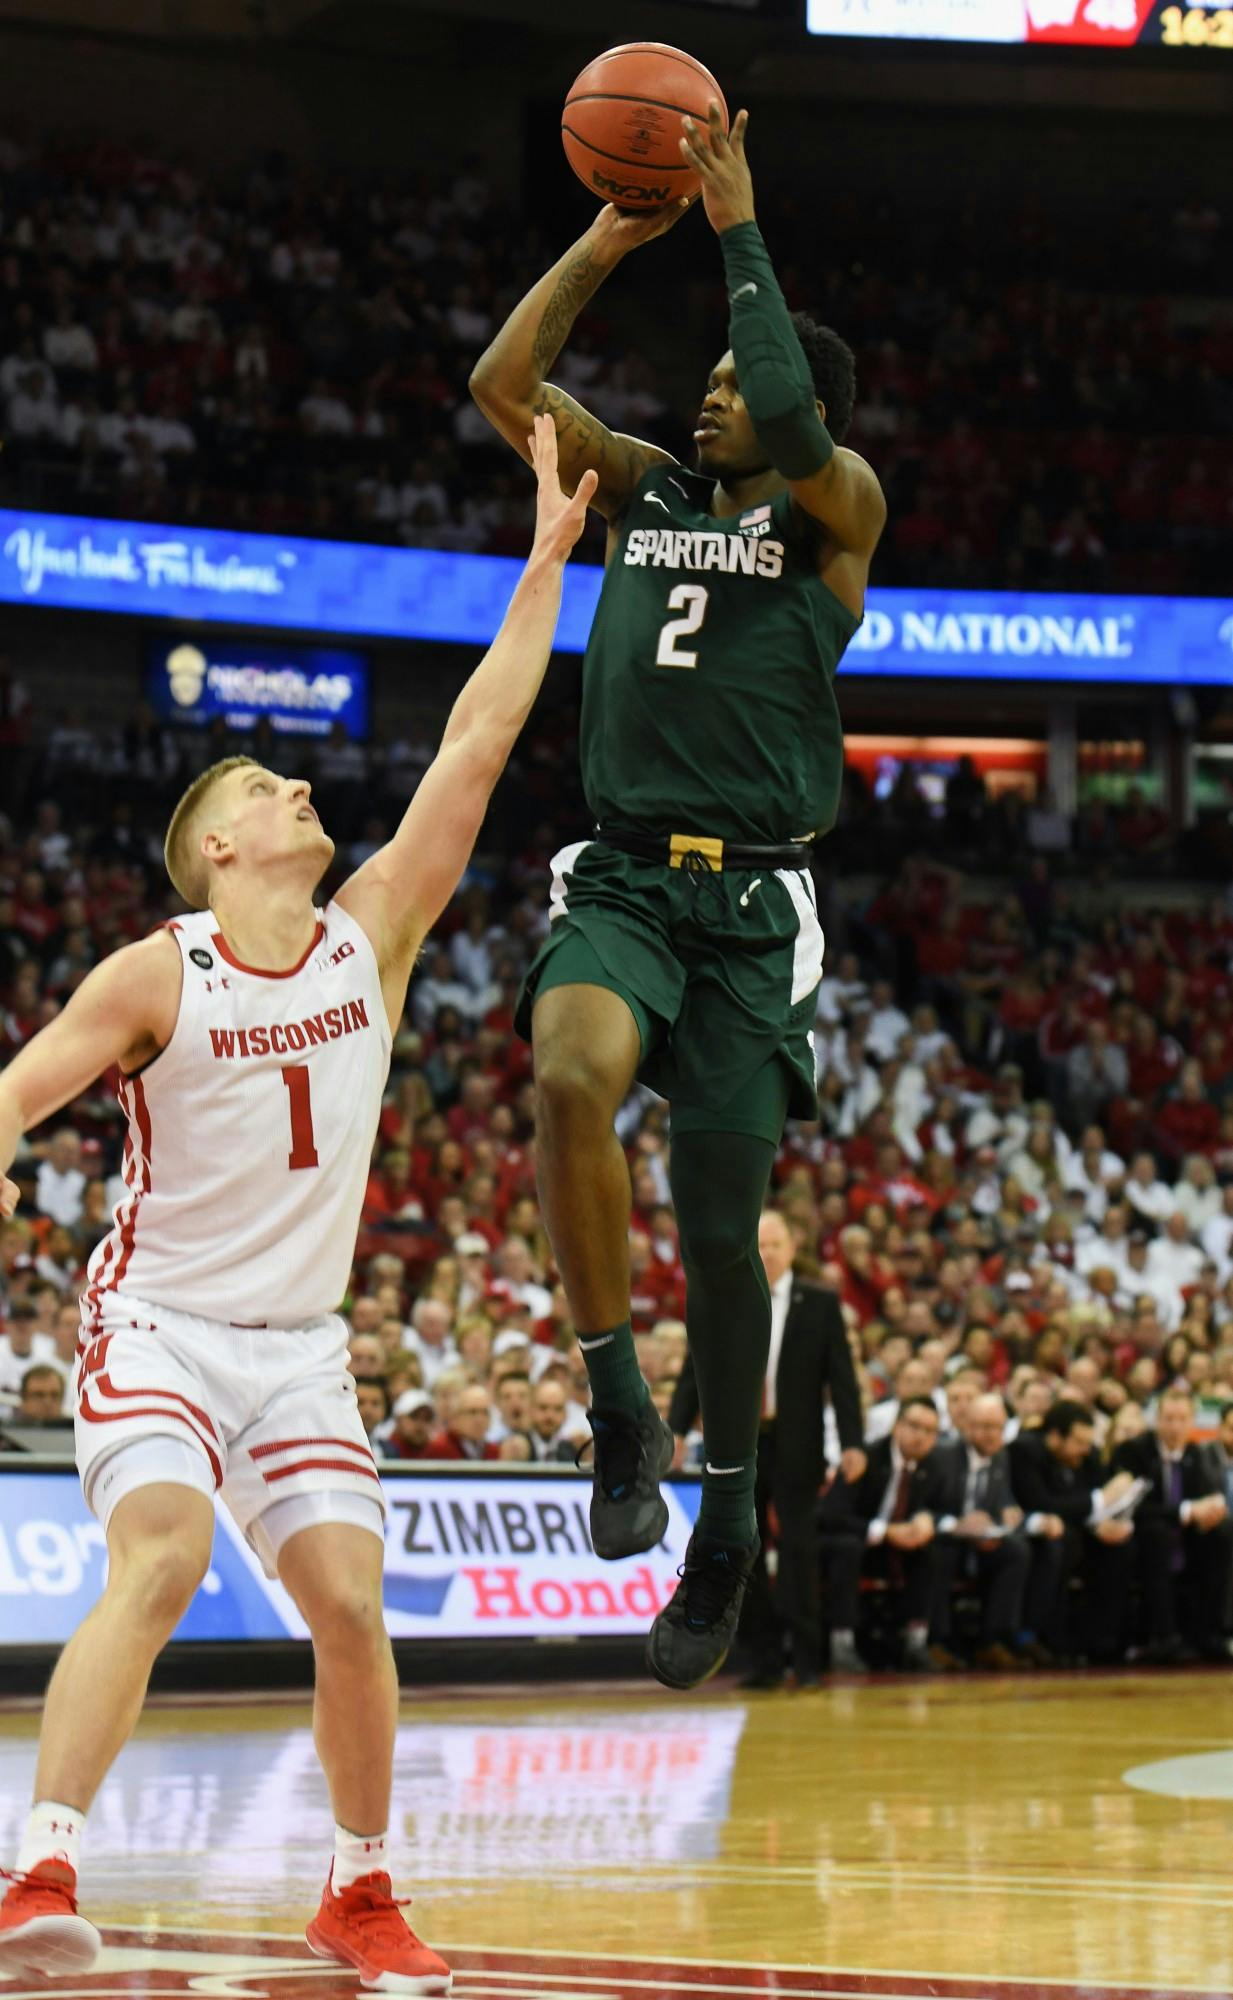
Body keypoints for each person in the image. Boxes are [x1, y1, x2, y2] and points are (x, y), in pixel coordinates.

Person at [0, 415, 595, 1988]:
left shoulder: (370, 932)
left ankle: (357, 1886)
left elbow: (475, 738)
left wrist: (543, 568)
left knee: (346, 1599)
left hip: (299, 1344)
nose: (300, 789)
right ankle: (37, 1863)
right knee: (166, 1559)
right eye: (268, 784)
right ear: (215, 845)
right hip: (162, 1323)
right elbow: (18, 1091)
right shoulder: (156, 969)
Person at [471, 102, 885, 1692]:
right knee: (568, 1075)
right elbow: (504, 389)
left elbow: (788, 409)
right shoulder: (639, 492)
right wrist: (605, 236)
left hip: (757, 908)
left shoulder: (831, 508)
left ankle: (725, 1526)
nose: (707, 401)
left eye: (727, 385)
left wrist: (736, 226)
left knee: (724, 1236)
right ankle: (618, 1405)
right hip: (630, 880)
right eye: (700, 383)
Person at [669, 1207, 864, 1688]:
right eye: (760, 1245)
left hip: (797, 1441)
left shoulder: (819, 1302)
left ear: (793, 1249)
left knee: (799, 1550)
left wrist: (854, 1441)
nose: (768, 1253)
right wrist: (674, 1426)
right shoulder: (728, 1296)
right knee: (742, 1548)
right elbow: (698, 1364)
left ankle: (807, 1661)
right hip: (740, 1442)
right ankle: (763, 1660)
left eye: (775, 1244)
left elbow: (842, 1380)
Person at [818, 1397, 950, 1673]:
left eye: (930, 1431)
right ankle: (841, 1643)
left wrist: (929, 1520)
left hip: (889, 1550)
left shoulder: (935, 1465)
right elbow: (830, 1515)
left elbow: (946, 1508)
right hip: (844, 1544)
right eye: (915, 1426)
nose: (921, 1437)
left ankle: (916, 1641)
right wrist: (885, 1531)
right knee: (849, 1547)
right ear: (896, 1426)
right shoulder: (865, 1457)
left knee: (932, 1549)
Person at [1111, 1386, 1233, 1664]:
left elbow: (1207, 1497)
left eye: (1182, 1419)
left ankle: (1211, 1634)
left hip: (1187, 1537)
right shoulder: (1134, 1451)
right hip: (1142, 1536)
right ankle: (1163, 1636)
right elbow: (1135, 1508)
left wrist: (1212, 1511)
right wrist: (1187, 1511)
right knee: (1158, 1534)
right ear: (1156, 1420)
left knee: (1223, 1533)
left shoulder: (1198, 1454)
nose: (1175, 1426)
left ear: (1192, 1422)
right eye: (1169, 1418)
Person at [1009, 1399, 1135, 1664]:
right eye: (1078, 1442)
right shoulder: (1025, 1450)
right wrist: (1099, 1502)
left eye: (1088, 1442)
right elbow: (1040, 1502)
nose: (1085, 1449)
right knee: (1063, 1543)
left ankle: (1103, 1641)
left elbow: (1096, 1495)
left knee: (1119, 1547)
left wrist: (1101, 1522)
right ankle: (1045, 1637)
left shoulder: (1087, 1455)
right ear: (1055, 1436)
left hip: (1078, 1528)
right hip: (1035, 1533)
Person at [931, 1393, 1031, 1671]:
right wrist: (956, 1525)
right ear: (967, 1426)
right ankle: (937, 1640)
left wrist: (1008, 1512)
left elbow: (1003, 1501)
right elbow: (921, 1507)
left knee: (1015, 1551)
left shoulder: (1001, 1457)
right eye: (985, 1427)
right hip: (945, 1536)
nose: (993, 1435)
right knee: (941, 1551)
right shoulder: (942, 1455)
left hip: (982, 1540)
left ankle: (993, 1639)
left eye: (998, 1428)